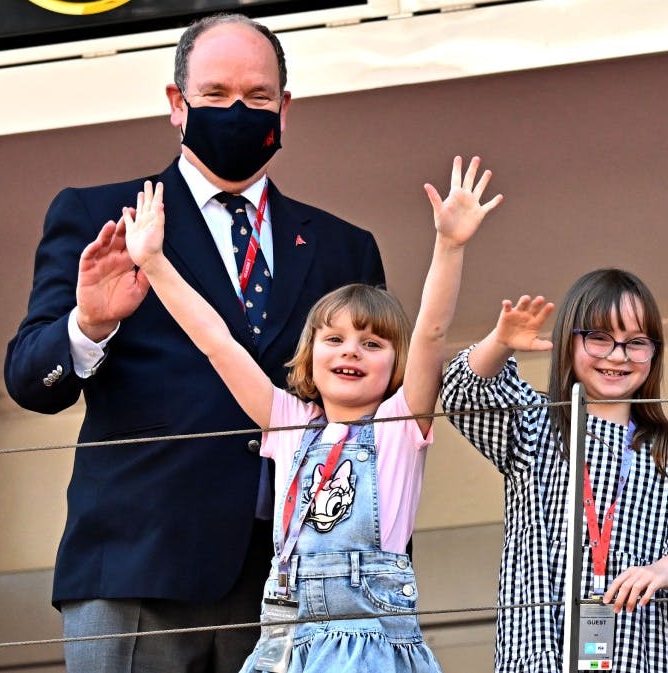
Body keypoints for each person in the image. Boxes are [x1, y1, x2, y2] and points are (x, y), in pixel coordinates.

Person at [2, 13, 384, 672]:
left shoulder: (344, 247)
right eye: (215, 95)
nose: (238, 112)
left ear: (284, 109)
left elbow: (376, 420)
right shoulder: (104, 218)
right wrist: (90, 323)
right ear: (177, 104)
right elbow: (29, 377)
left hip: (292, 579)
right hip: (136, 567)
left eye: (257, 97)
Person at [122, 155, 501, 671]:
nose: (351, 352)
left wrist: (450, 245)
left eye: (372, 343)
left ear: (396, 364)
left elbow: (432, 331)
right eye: (335, 339)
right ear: (310, 353)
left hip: (370, 642)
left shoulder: (400, 424)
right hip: (286, 644)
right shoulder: (288, 421)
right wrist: (154, 264)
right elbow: (216, 343)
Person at [441, 268, 668, 672]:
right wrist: (499, 344)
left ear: (655, 351)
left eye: (635, 343)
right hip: (540, 656)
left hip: (643, 656)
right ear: (569, 342)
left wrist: (667, 568)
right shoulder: (534, 424)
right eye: (599, 338)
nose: (617, 356)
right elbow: (464, 392)